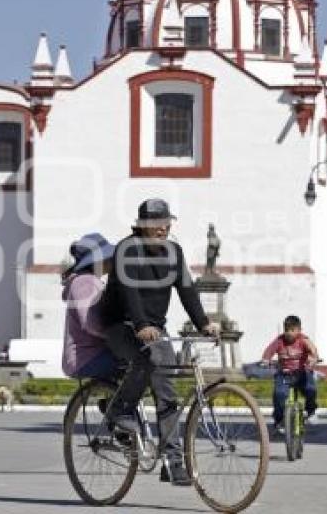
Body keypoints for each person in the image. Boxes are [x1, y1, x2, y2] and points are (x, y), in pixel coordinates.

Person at [100, 198, 218, 486]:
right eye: (156, 224)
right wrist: (141, 324)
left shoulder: (173, 253)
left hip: (155, 329)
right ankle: (119, 409)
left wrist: (203, 323)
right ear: (142, 226)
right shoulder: (126, 251)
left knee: (167, 389)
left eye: (166, 223)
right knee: (147, 361)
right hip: (121, 325)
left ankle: (173, 461)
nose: (162, 229)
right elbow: (129, 293)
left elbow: (187, 290)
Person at [62, 233, 118, 380]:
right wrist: (116, 334)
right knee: (139, 364)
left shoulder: (87, 280)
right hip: (86, 357)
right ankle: (121, 403)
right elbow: (90, 322)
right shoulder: (86, 282)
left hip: (86, 356)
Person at [261, 315, 320, 434]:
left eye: (292, 330)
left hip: (302, 373)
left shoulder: (303, 340)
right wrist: (266, 359)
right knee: (279, 394)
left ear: (299, 330)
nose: (289, 333)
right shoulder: (279, 341)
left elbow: (313, 349)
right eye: (286, 330)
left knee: (310, 389)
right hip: (284, 374)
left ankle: (311, 412)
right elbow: (269, 351)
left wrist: (314, 358)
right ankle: (280, 420)